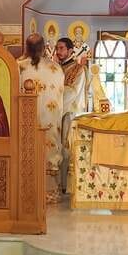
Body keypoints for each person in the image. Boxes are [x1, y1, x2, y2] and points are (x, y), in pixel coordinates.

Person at [18, 34, 64, 199]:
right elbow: (60, 98)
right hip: (49, 121)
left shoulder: (18, 67)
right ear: (44, 48)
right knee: (49, 149)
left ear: (27, 48)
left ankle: (26, 192)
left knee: (25, 150)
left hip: (25, 120)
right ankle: (49, 192)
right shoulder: (56, 69)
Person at [54, 37, 87, 194]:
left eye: (61, 48)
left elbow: (72, 92)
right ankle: (55, 183)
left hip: (68, 113)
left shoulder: (78, 69)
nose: (58, 51)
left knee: (66, 149)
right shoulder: (55, 68)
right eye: (57, 48)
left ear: (70, 50)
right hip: (55, 113)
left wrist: (53, 102)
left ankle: (65, 186)